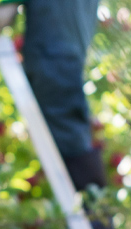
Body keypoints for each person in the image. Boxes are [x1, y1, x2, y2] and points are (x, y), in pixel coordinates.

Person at [22, 0, 108, 190]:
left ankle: (94, 213)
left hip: (51, 61)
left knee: (72, 144)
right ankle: (96, 210)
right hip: (68, 60)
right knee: (74, 137)